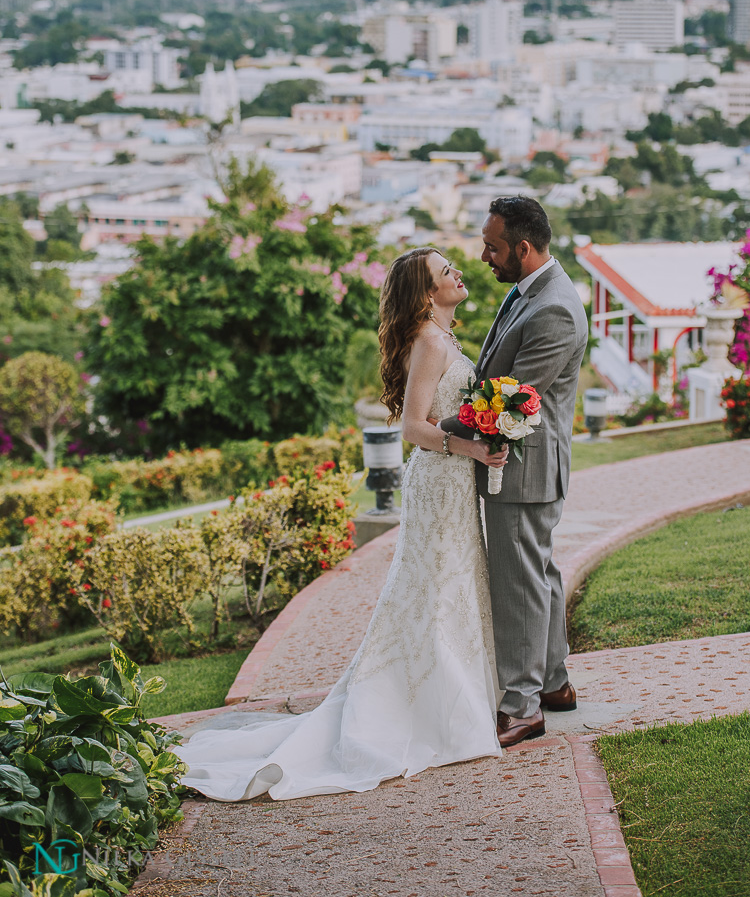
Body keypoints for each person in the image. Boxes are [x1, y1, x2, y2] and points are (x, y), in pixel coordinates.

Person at [175, 247, 508, 801]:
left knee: (449, 584)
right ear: (427, 294)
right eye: (445, 271)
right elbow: (411, 426)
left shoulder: (444, 338)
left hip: (453, 477)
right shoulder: (428, 343)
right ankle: (429, 707)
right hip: (439, 478)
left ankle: (459, 695)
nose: (458, 274)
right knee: (434, 586)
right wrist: (470, 447)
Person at [439, 196, 588, 748]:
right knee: (539, 573)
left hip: (521, 469)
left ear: (523, 248)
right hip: (525, 467)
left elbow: (508, 403)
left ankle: (522, 706)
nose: (483, 256)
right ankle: (554, 682)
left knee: (518, 585)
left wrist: (435, 429)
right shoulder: (529, 291)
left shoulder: (554, 308)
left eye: (493, 246)